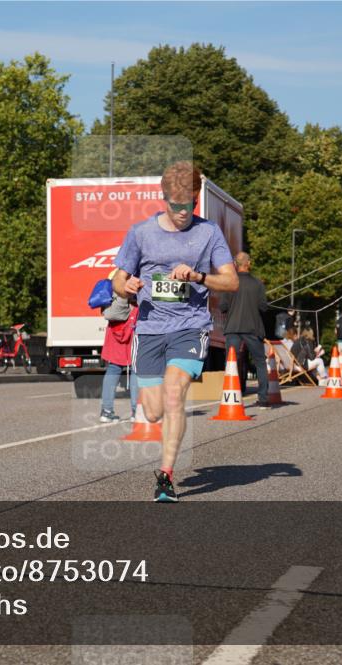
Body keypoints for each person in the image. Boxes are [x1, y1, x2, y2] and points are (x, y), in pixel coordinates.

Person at [112, 161, 238, 502]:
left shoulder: (209, 232)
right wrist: (129, 286)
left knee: (174, 395)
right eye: (177, 205)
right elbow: (117, 280)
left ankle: (165, 476)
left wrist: (198, 277)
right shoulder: (140, 233)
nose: (184, 213)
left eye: (191, 205)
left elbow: (231, 280)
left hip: (190, 325)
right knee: (152, 411)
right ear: (163, 198)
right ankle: (162, 441)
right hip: (150, 328)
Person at [218, 252, 270, 406]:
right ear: (249, 263)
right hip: (253, 328)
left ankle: (231, 397)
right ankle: (263, 399)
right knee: (260, 362)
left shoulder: (230, 284)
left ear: (235, 264)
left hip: (233, 328)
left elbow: (223, 307)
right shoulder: (258, 284)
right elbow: (263, 307)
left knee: (231, 362)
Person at [99, 294, 139, 423]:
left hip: (115, 332)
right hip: (134, 329)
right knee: (135, 369)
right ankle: (136, 412)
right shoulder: (136, 277)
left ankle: (106, 411)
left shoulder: (114, 284)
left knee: (113, 368)